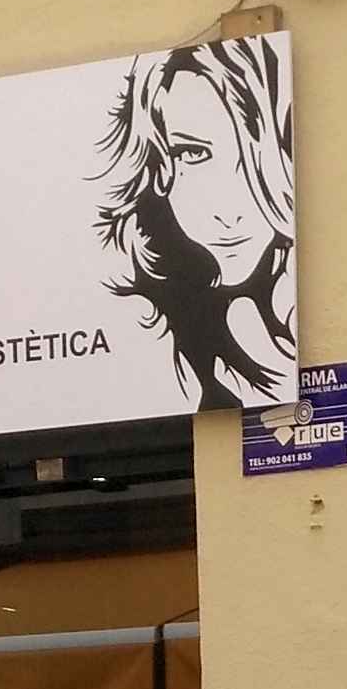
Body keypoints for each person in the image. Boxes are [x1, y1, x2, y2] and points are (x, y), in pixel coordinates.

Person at [91, 35, 297, 411]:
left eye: (252, 158)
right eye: (194, 153)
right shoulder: (137, 321)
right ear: (158, 164)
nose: (228, 211)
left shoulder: (291, 298)